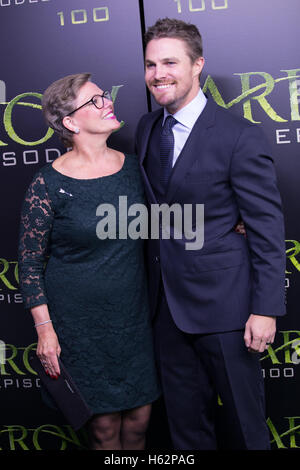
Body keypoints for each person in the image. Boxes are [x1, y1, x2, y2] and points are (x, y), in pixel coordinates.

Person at [135, 18, 286, 450]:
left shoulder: (239, 135)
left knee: (245, 427)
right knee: (186, 432)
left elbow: (267, 229)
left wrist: (266, 309)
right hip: (166, 311)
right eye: (150, 64)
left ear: (197, 64)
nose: (157, 74)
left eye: (169, 62)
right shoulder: (147, 129)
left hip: (228, 311)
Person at [18, 73, 160, 450]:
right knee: (103, 431)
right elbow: (29, 266)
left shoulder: (135, 168)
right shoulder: (47, 184)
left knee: (139, 423)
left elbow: (171, 220)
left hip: (133, 321)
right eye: (95, 101)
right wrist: (45, 331)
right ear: (70, 122)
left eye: (105, 96)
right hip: (77, 328)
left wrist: (234, 221)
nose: (108, 102)